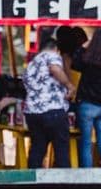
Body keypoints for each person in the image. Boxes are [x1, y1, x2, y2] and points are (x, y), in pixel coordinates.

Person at [23, 31, 74, 169]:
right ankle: (64, 185)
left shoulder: (31, 64)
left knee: (38, 148)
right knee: (61, 149)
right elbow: (54, 68)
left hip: (32, 113)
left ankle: (32, 183)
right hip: (53, 110)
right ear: (56, 49)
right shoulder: (52, 55)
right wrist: (69, 85)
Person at [72, 28, 101, 168]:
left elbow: (74, 64)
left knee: (86, 143)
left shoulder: (87, 59)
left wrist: (82, 46)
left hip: (87, 105)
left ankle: (87, 178)